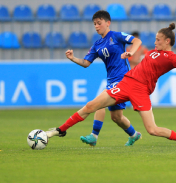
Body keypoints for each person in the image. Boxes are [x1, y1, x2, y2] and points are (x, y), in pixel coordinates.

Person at [46, 23, 176, 147]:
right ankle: (59, 130)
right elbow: (139, 58)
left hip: (141, 90)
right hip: (126, 83)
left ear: (167, 41)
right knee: (91, 105)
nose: (155, 42)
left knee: (152, 130)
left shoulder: (172, 58)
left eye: (158, 39)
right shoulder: (153, 52)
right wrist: (128, 55)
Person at [53, 10, 143, 147]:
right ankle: (134, 135)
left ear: (108, 23)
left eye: (99, 23)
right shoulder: (97, 45)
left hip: (123, 80)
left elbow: (137, 40)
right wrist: (73, 58)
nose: (96, 26)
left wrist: (131, 51)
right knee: (116, 117)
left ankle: (93, 136)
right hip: (112, 81)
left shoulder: (116, 36)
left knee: (97, 103)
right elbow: (86, 63)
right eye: (94, 24)